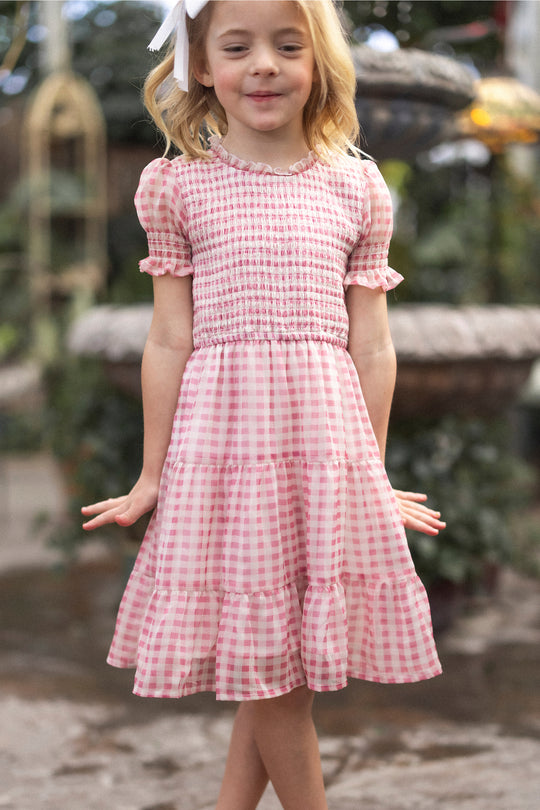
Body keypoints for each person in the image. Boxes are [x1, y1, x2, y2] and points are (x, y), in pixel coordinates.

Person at [82, 2, 445, 807]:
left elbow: (373, 346)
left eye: (288, 45)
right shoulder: (176, 185)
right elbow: (169, 339)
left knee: (278, 672)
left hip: (322, 453)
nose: (265, 65)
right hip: (225, 459)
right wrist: (152, 473)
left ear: (317, 61)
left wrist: (369, 476)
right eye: (238, 47)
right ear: (202, 65)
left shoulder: (357, 184)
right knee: (275, 676)